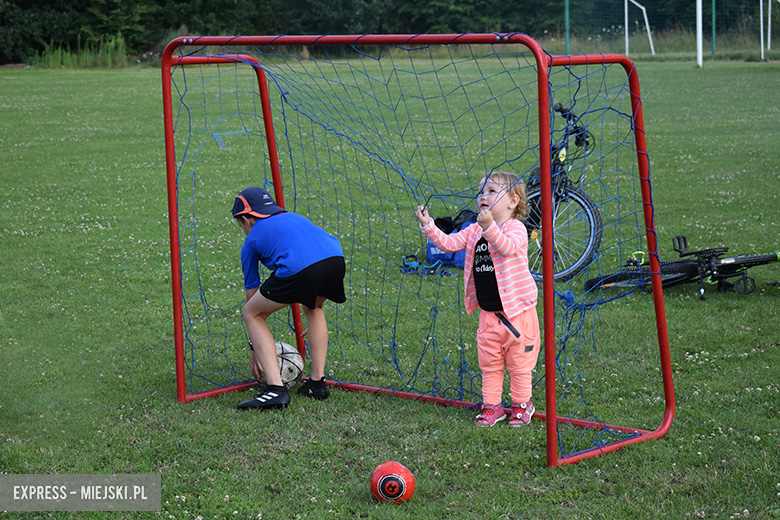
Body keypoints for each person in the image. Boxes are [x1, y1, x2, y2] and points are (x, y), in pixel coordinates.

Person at [415, 172, 540, 427]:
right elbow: (449, 244)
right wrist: (428, 224)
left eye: (492, 191)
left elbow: (505, 247)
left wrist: (489, 227)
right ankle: (493, 406)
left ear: (513, 201)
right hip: (488, 316)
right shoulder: (474, 231)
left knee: (519, 365)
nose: (484, 195)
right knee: (490, 364)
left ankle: (521, 405)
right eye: (481, 191)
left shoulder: (516, 229)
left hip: (518, 316)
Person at [232, 186, 346, 410]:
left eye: (240, 224)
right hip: (336, 258)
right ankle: (317, 384)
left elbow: (251, 295)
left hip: (302, 267)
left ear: (246, 219)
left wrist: (255, 348)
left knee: (252, 314)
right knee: (314, 307)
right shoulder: (293, 216)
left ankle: (276, 390)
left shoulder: (251, 240)